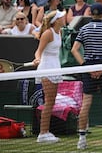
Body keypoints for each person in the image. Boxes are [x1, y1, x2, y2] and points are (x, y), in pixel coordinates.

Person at [71, 2, 102, 150]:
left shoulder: (84, 29)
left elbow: (74, 50)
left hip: (89, 66)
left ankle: (82, 140)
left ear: (91, 14)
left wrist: (86, 68)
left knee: (86, 104)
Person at [33, 10, 66, 143]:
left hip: (55, 66)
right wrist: (37, 59)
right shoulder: (48, 33)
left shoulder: (60, 32)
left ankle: (45, 132)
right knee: (49, 102)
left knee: (51, 102)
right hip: (46, 67)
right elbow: (38, 51)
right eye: (62, 17)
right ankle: (43, 133)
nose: (64, 18)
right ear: (56, 20)